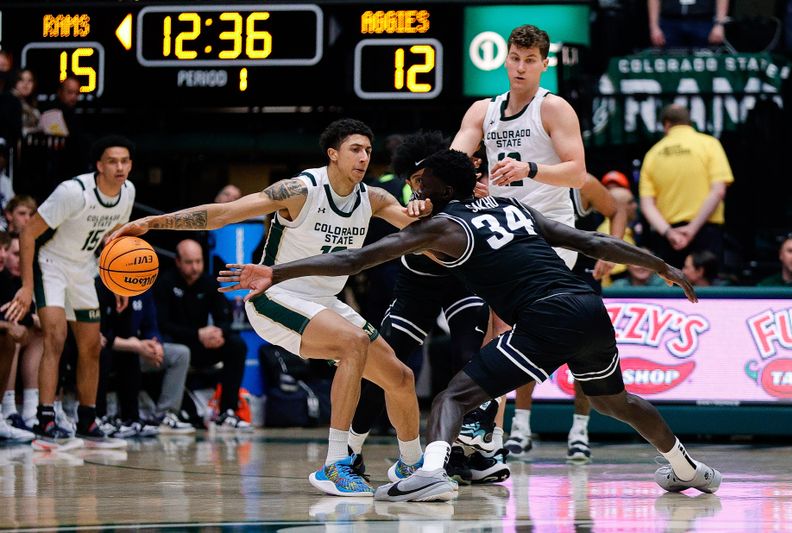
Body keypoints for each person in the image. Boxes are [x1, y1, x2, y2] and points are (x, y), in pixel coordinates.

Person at [219, 149, 723, 502]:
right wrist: (661, 265)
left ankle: (431, 474)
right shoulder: (512, 205)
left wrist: (276, 271)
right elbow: (589, 242)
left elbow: (356, 260)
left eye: (423, 182)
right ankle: (686, 468)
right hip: (589, 307)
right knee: (618, 401)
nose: (415, 187)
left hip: (545, 313)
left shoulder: (444, 225)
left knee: (450, 399)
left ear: (443, 187)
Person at [110, 119, 430, 497]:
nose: (364, 157)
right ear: (333, 154)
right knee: (353, 343)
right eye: (355, 149)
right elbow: (225, 213)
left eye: (368, 151)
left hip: (325, 302)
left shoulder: (373, 198)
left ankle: (413, 467)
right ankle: (335, 464)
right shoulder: (300, 190)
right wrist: (153, 223)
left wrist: (427, 208)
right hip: (274, 295)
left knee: (401, 377)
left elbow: (416, 228)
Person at [450, 24, 587, 464]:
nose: (521, 66)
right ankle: (492, 434)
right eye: (515, 57)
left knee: (508, 329)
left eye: (530, 60)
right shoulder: (483, 111)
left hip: (550, 231)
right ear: (504, 59)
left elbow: (578, 172)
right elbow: (453, 160)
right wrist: (461, 180)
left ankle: (496, 427)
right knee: (501, 330)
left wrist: (528, 168)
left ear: (544, 64)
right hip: (505, 228)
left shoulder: (554, 108)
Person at [348, 131, 495, 485]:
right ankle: (350, 451)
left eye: (422, 179)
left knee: (467, 353)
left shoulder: (464, 186)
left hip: (461, 280)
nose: (418, 186)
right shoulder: (411, 196)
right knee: (384, 363)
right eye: (413, 181)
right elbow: (412, 209)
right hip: (417, 285)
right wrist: (416, 208)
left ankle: (464, 450)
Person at [3, 135, 137, 451]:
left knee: (92, 346)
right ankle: (45, 417)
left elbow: (111, 239)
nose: (120, 167)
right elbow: (28, 232)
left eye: (125, 161)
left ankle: (87, 419)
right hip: (50, 263)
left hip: (83, 267)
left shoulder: (128, 192)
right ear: (99, 165)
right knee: (56, 337)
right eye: (113, 161)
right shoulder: (72, 192)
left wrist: (117, 281)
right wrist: (25, 285)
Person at [507, 172, 627, 464]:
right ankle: (520, 428)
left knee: (582, 357)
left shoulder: (582, 182)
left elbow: (617, 211)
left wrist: (611, 253)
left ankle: (579, 431)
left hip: (580, 277)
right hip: (537, 278)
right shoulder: (519, 176)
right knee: (526, 347)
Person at [154, 239, 249, 431]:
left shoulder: (208, 282)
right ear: (178, 261)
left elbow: (226, 319)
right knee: (177, 351)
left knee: (236, 345)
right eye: (189, 262)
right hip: (177, 345)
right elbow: (163, 325)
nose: (195, 267)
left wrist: (219, 333)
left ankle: (227, 412)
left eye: (199, 261)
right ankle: (173, 413)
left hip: (202, 345)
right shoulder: (165, 283)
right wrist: (197, 334)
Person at [95, 277, 194, 437]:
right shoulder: (103, 285)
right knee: (117, 353)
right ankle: (110, 417)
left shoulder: (143, 287)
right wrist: (137, 346)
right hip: (114, 348)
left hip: (139, 347)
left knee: (181, 353)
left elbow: (151, 325)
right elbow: (103, 335)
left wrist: (155, 345)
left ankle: (164, 416)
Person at [639, 104, 734, 269]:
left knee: (672, 291)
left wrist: (669, 232)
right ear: (690, 122)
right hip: (706, 231)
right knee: (709, 292)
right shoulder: (709, 144)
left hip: (669, 238)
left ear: (666, 125)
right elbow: (718, 191)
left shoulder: (652, 154)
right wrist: (692, 229)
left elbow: (647, 205)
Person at [2, 232, 43, 432]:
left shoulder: (15, 281)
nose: (2, 255)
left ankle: (30, 411)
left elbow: (22, 316)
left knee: (40, 334)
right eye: (15, 254)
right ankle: (8, 410)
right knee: (11, 336)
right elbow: (10, 318)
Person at [648, 0, 729, 49]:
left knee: (703, 62)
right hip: (670, 21)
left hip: (703, 21)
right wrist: (654, 27)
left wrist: (719, 24)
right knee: (670, 63)